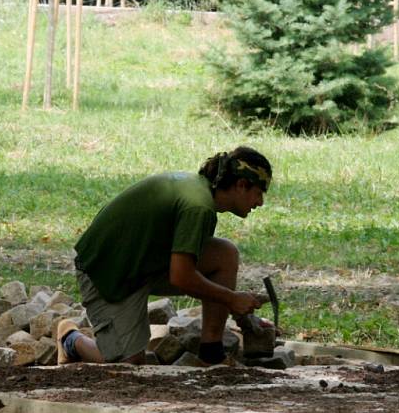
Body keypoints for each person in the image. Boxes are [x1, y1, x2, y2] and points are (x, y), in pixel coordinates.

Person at [57, 146, 272, 367]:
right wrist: (231, 299)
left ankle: (211, 353)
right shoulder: (199, 206)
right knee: (130, 364)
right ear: (241, 185)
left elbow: (183, 265)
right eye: (259, 192)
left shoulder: (200, 194)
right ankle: (71, 340)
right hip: (107, 271)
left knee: (224, 255)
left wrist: (242, 315)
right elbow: (182, 277)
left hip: (143, 262)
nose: (260, 202)